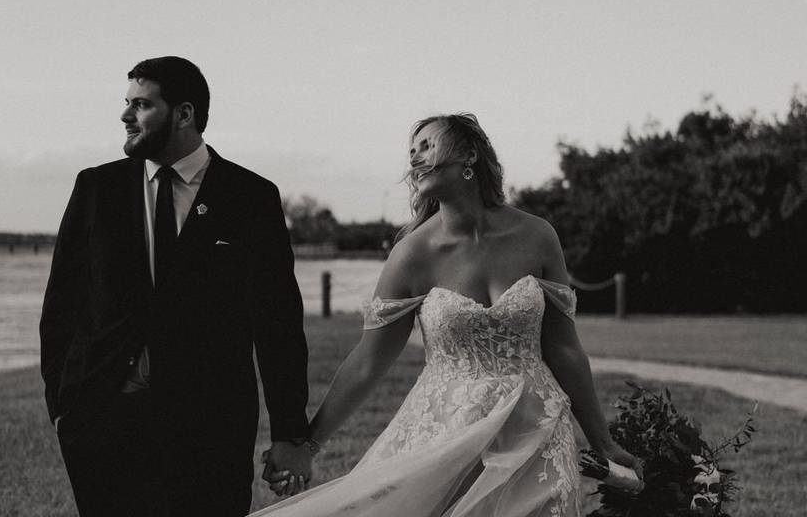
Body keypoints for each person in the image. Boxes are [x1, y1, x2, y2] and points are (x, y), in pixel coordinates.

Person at [254, 113, 640, 516]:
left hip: (536, 430)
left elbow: (564, 348)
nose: (416, 158)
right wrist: (308, 445)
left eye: (427, 145)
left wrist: (603, 441)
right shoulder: (412, 254)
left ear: (469, 154)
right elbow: (368, 362)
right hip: (449, 437)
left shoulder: (538, 236)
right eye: (411, 151)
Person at [39, 56, 315, 516]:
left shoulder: (250, 197)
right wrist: (62, 406)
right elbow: (62, 306)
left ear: (184, 114)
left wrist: (289, 433)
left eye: (142, 105)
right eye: (127, 104)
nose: (126, 116)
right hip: (103, 424)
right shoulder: (96, 189)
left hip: (211, 430)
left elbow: (278, 322)